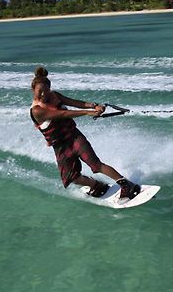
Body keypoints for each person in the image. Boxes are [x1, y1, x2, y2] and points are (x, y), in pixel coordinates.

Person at [30, 66, 141, 199]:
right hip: (61, 146)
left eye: (46, 90)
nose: (43, 94)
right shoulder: (37, 110)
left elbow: (74, 102)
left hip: (74, 137)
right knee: (72, 178)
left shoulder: (54, 96)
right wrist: (87, 113)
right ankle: (96, 185)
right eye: (39, 91)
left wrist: (94, 106)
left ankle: (126, 185)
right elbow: (63, 113)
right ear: (33, 90)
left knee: (96, 165)